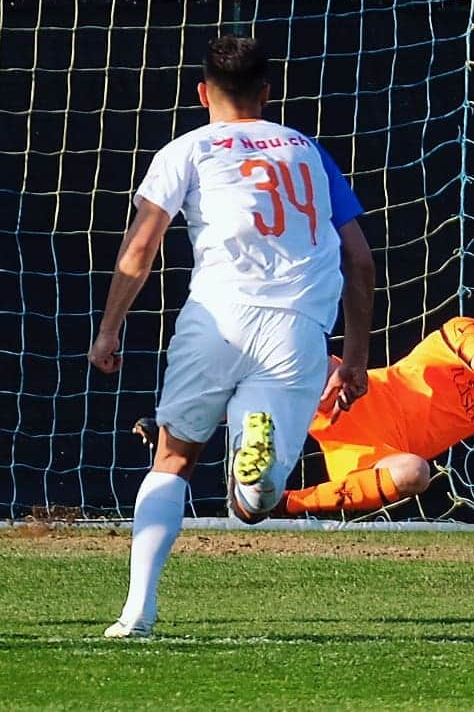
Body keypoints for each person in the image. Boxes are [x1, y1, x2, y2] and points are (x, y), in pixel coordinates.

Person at [88, 35, 375, 638]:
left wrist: (110, 328)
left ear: (201, 93)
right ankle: (253, 462)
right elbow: (359, 259)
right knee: (256, 507)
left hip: (215, 318)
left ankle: (138, 611)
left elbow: (140, 248)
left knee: (173, 456)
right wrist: (353, 357)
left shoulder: (187, 148)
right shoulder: (307, 150)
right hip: (297, 328)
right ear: (267, 93)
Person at [135, 281, 474, 520]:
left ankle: (280, 504)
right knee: (315, 363)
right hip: (349, 397)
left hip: (373, 456)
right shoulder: (462, 331)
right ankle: (176, 421)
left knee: (415, 474)